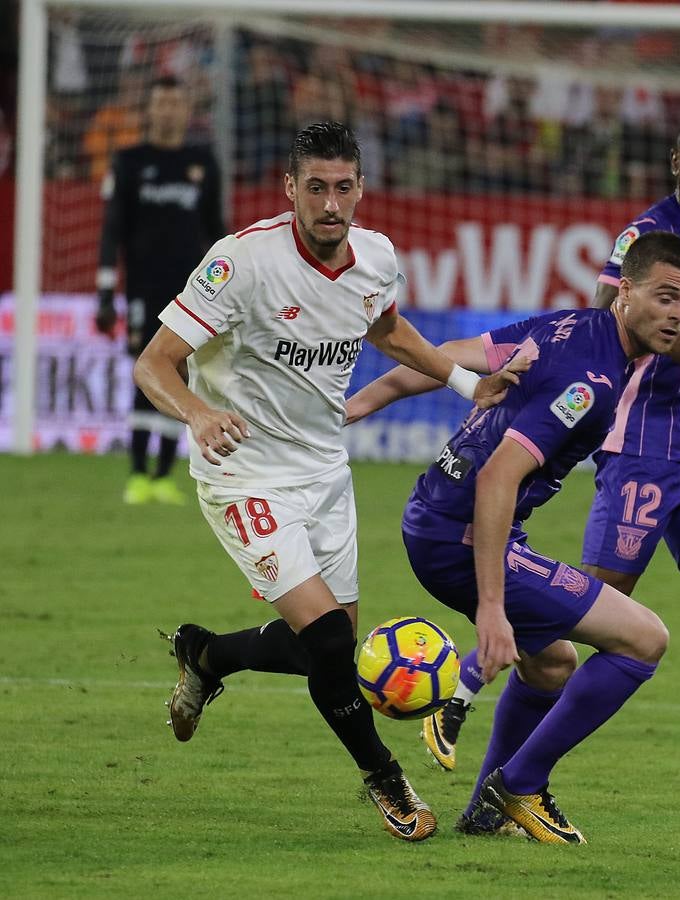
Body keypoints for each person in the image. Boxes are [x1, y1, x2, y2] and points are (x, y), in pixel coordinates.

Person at [133, 121, 523, 842]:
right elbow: (153, 362)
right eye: (316, 187)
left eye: (344, 187)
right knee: (332, 647)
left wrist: (468, 383)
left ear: (361, 189)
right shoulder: (240, 263)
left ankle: (207, 654)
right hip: (244, 474)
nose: (331, 203)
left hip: (324, 474)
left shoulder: (375, 258)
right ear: (290, 188)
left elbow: (391, 332)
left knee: (328, 645)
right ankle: (386, 779)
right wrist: (197, 412)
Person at [424, 107, 680, 799]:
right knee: (589, 614)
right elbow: (608, 318)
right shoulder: (646, 235)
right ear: (676, 161)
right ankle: (468, 688)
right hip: (636, 446)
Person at [346, 231, 680, 843]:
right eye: (664, 297)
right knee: (644, 640)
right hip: (462, 534)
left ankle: (487, 811)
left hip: (433, 515)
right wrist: (491, 610)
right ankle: (521, 785)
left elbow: (443, 362)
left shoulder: (567, 326)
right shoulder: (590, 382)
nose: (677, 315)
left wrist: (348, 411)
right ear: (626, 292)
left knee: (552, 663)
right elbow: (498, 476)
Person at [96, 75, 225, 505]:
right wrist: (104, 290)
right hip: (142, 289)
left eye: (175, 102)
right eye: (161, 102)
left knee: (184, 373)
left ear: (186, 110)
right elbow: (113, 229)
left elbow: (217, 234)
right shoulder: (130, 161)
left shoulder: (203, 161)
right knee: (144, 370)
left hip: (190, 294)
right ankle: (136, 472)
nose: (168, 110)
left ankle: (165, 474)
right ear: (149, 110)